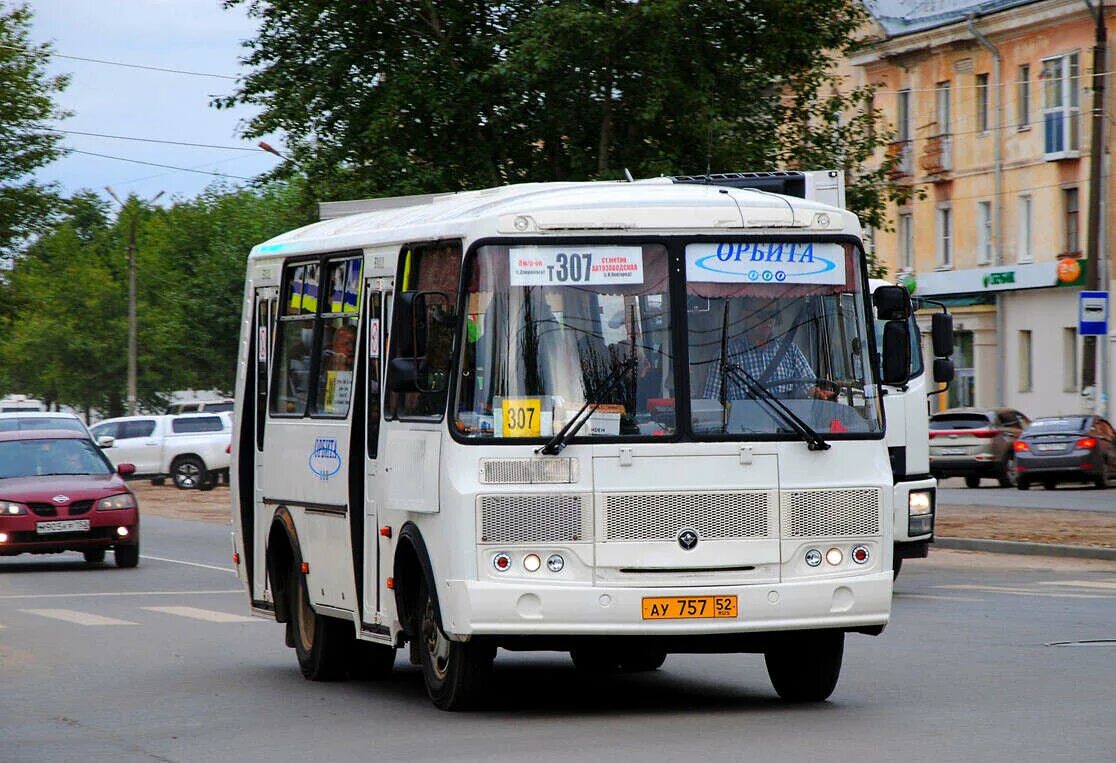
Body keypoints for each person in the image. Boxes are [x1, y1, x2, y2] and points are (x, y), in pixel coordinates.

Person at [702, 302, 834, 401]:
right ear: (745, 315)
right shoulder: (727, 355)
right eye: (761, 315)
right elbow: (710, 400)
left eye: (772, 315)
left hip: (788, 430)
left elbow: (809, 388)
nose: (768, 321)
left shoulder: (790, 351)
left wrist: (819, 394)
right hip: (743, 433)